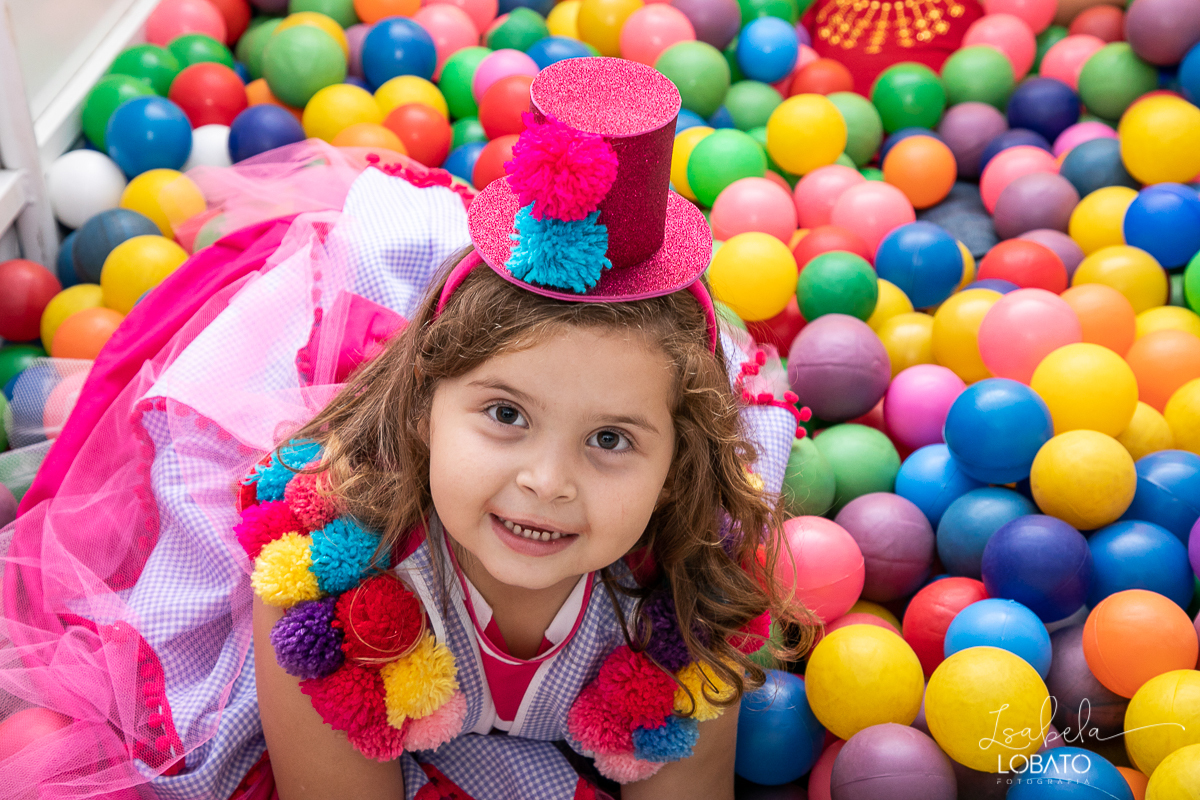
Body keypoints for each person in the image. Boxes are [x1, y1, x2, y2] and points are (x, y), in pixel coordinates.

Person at [0, 58, 815, 800]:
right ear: (424, 408)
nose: (547, 480)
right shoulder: (324, 581)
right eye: (505, 415)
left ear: (673, 467)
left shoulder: (697, 593)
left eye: (611, 440)